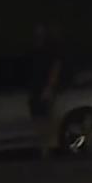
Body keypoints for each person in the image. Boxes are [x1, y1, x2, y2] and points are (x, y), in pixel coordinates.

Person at [29, 23, 63, 158]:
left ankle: (50, 148)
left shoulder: (49, 50)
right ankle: (43, 147)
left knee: (48, 117)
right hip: (35, 89)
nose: (38, 35)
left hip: (45, 88)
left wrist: (49, 87)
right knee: (38, 118)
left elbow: (56, 67)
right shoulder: (34, 50)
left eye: (41, 32)